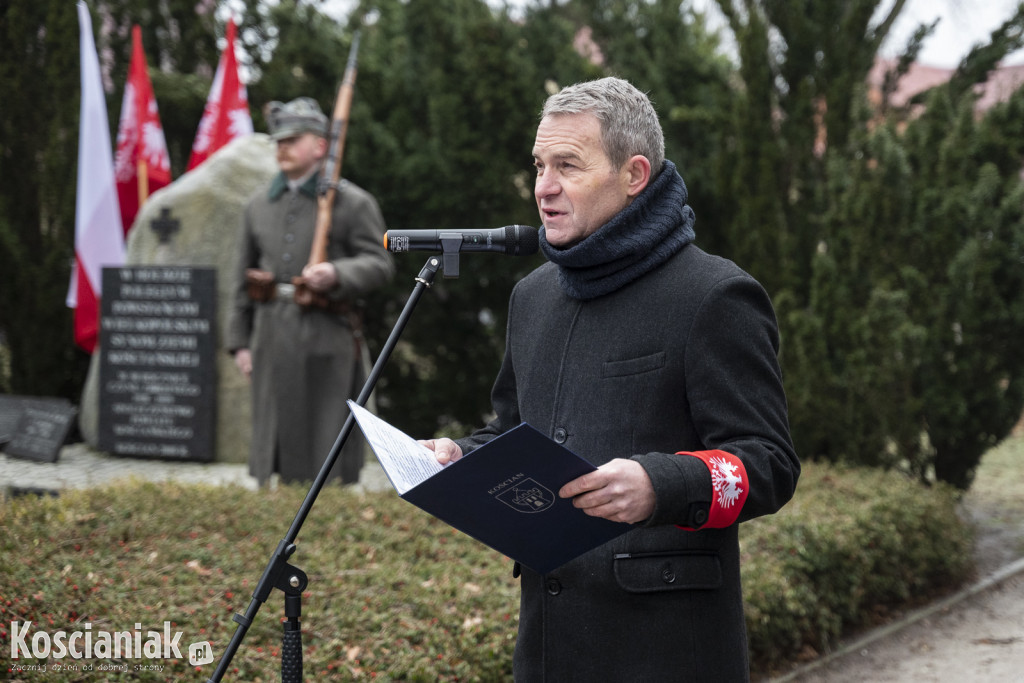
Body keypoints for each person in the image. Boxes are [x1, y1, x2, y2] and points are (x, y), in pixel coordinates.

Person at [422, 77, 800, 680]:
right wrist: (458, 456)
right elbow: (514, 431)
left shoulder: (714, 295)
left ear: (634, 174)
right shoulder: (533, 296)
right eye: (540, 165)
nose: (544, 187)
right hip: (549, 643)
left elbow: (770, 464)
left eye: (568, 165)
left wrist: (661, 482)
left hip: (667, 647)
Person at [227, 97, 394, 486]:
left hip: (327, 331)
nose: (281, 147)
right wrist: (241, 344)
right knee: (274, 427)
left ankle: (326, 505)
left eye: (292, 139)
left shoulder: (353, 203)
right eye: (278, 141)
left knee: (325, 429)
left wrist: (336, 272)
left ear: (320, 146)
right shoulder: (257, 205)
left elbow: (380, 263)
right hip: (271, 331)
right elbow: (240, 278)